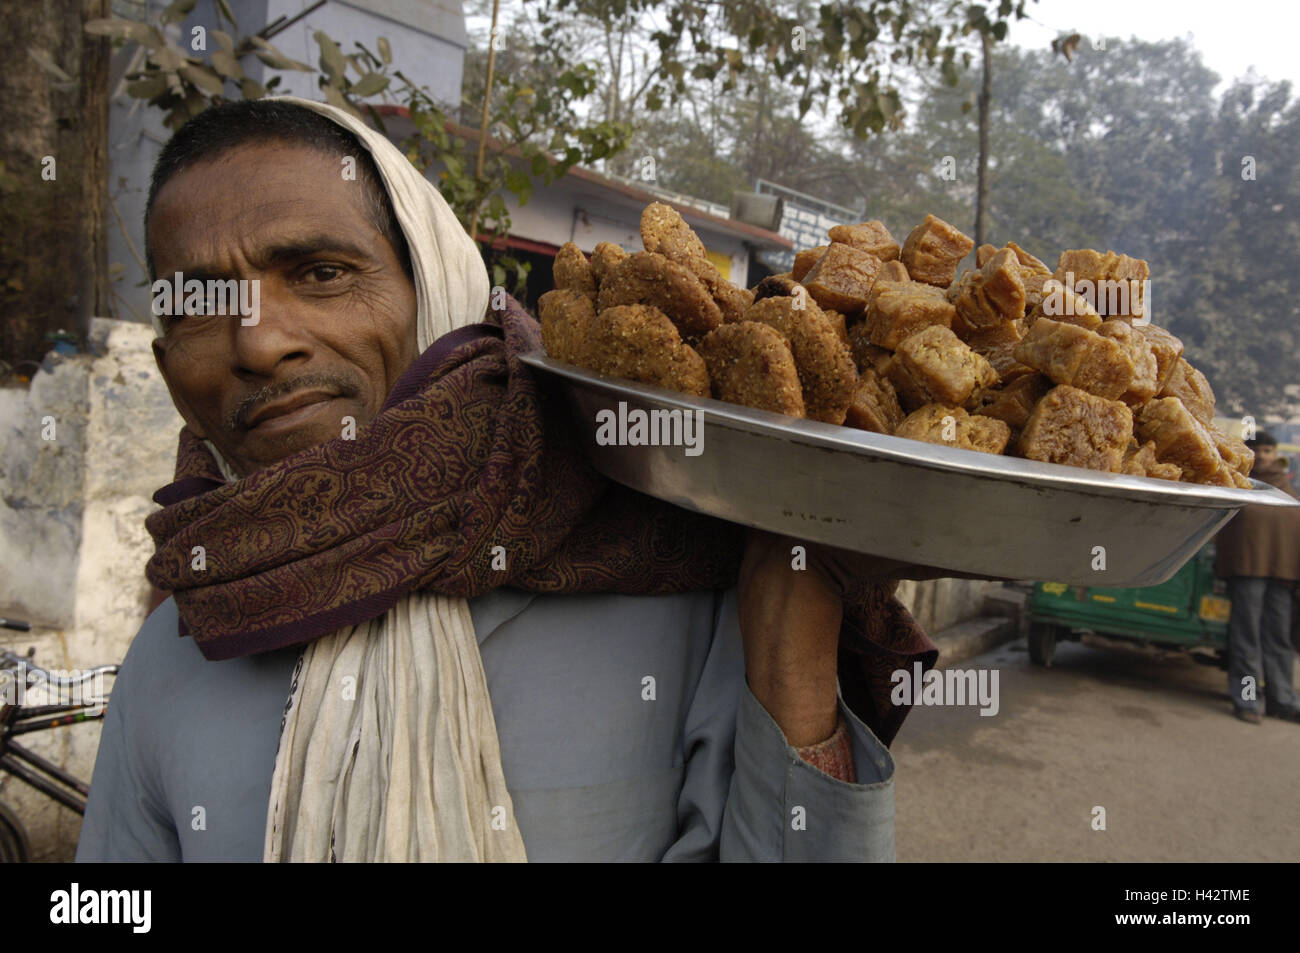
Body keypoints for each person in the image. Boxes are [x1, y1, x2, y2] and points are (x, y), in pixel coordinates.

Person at [75, 98, 942, 862]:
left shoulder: (664, 570)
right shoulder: (179, 649)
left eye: (321, 273)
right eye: (203, 305)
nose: (260, 342)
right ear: (164, 363)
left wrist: (793, 645)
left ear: (436, 279)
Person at [1214, 429, 1300, 725]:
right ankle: (1248, 701)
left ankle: (1283, 700)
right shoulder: (1240, 483)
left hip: (1283, 572)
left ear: (1275, 454)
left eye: (1267, 451)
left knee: (1279, 639)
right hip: (1247, 569)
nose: (1262, 456)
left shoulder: (1287, 488)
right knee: (1246, 637)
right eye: (1257, 451)